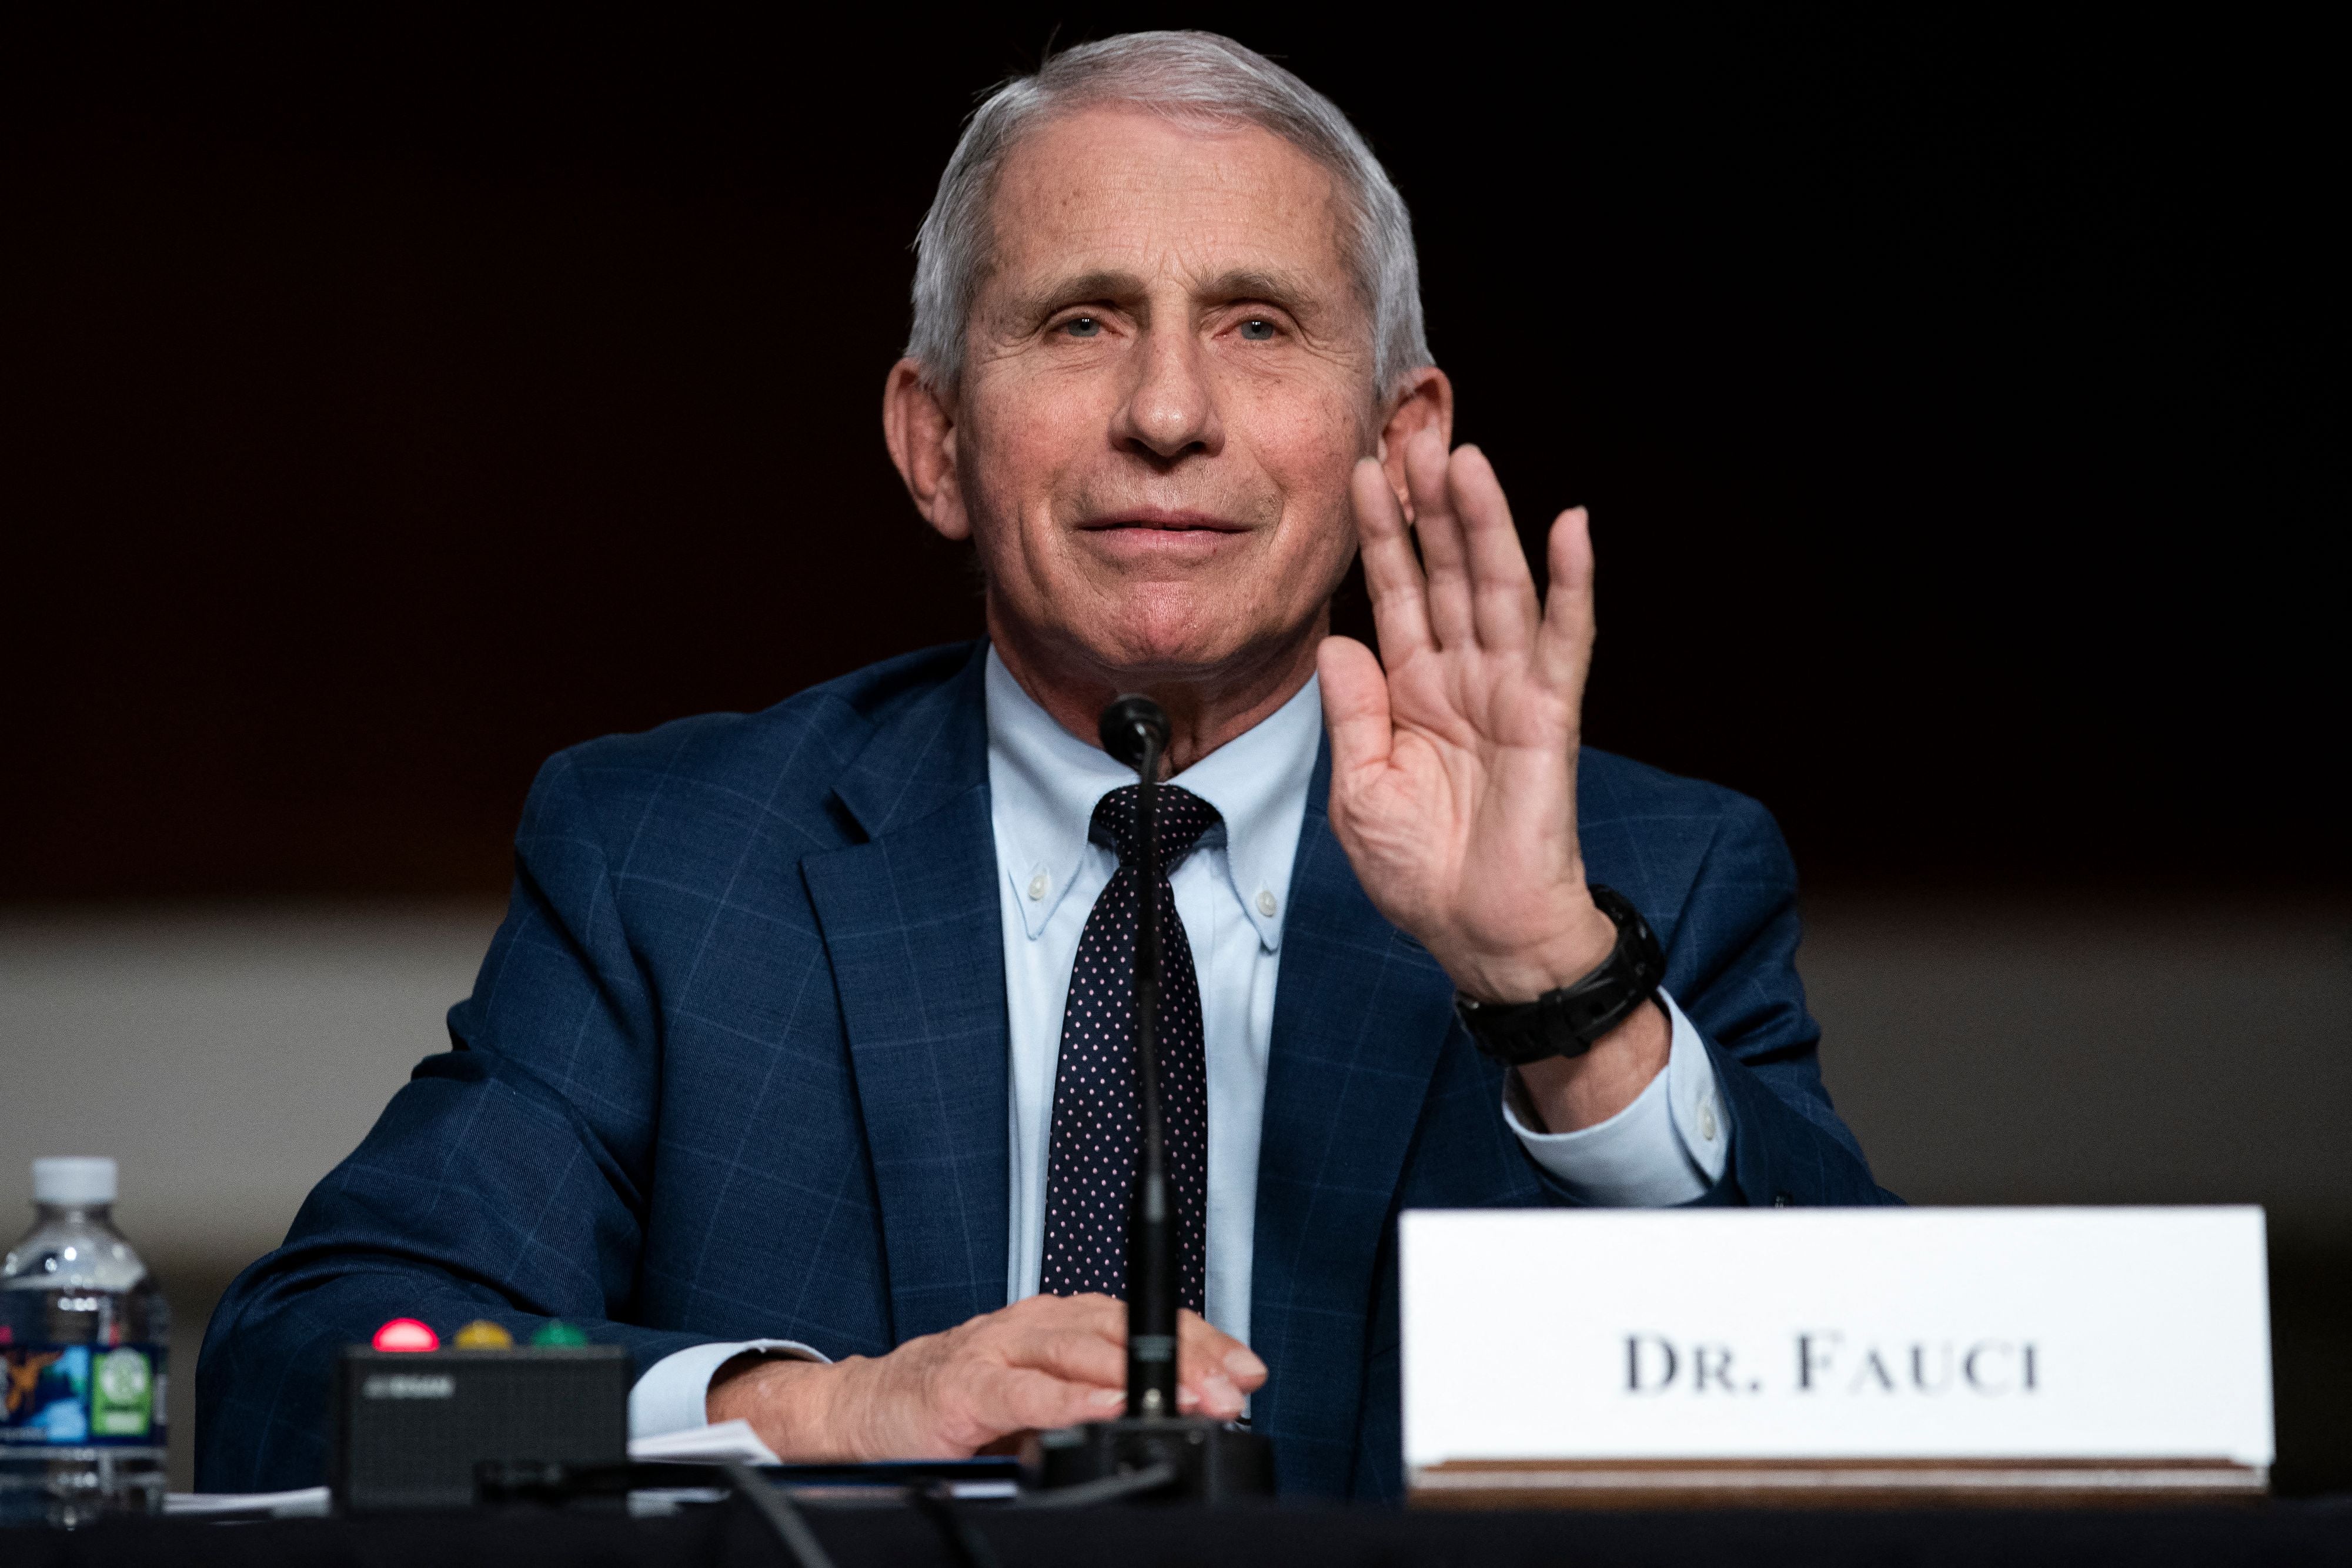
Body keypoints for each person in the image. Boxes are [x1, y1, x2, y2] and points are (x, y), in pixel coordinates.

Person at [197, 31, 1889, 1499]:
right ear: (935, 439)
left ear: (1399, 439)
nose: (1168, 411)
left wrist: (1553, 992)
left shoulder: (1641, 891)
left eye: (1255, 326)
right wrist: (814, 1408)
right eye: (1082, 322)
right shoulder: (675, 864)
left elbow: (1910, 1429)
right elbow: (304, 1380)